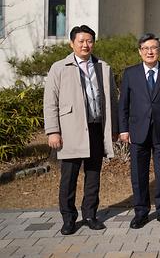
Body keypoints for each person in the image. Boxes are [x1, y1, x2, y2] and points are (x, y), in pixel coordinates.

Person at [43, 25, 118, 235]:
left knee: (93, 175)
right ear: (72, 43)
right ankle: (68, 218)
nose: (86, 45)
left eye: (89, 41)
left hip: (96, 129)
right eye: (81, 41)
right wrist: (53, 131)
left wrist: (114, 128)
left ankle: (90, 215)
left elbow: (112, 100)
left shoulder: (103, 67)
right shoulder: (59, 67)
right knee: (69, 177)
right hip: (70, 131)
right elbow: (50, 102)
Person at [118, 33, 160, 229]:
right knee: (139, 174)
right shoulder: (130, 74)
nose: (150, 52)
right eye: (145, 48)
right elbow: (123, 106)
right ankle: (141, 212)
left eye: (154, 48)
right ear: (140, 51)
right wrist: (123, 130)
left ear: (159, 50)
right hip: (137, 131)